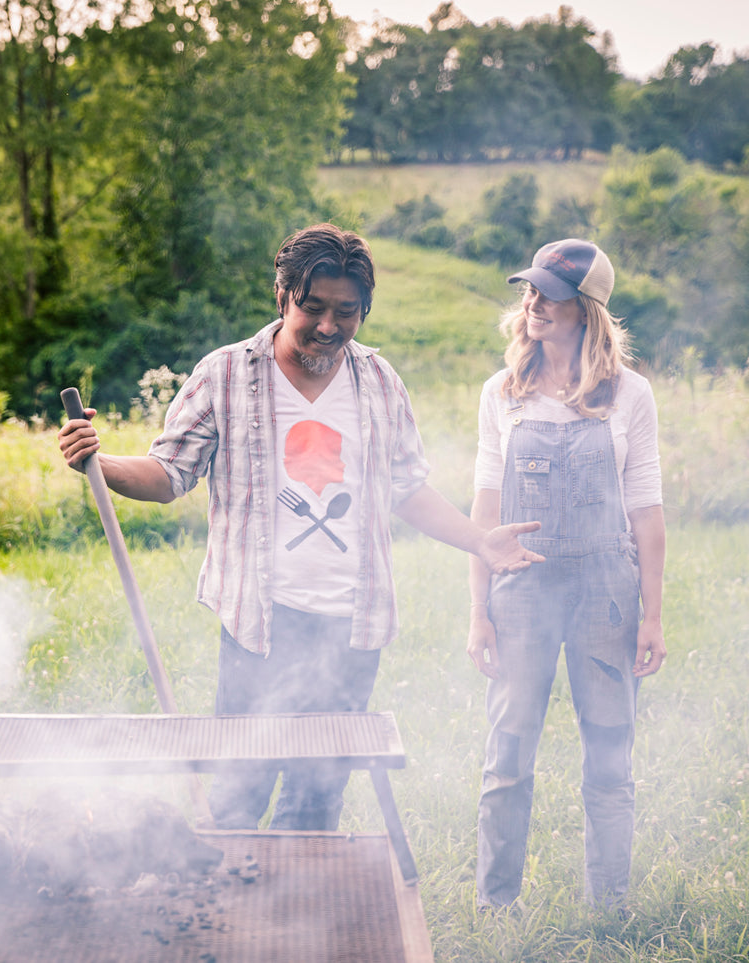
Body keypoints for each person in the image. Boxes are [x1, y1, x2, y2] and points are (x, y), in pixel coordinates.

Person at [58, 223, 545, 832]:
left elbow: (407, 490)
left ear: (364, 310)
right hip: (260, 625)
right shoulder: (226, 375)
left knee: (316, 803)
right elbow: (167, 473)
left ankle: (297, 922)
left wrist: (479, 539)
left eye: (346, 312)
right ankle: (228, 921)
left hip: (351, 627)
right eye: (312, 307)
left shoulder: (379, 382)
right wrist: (99, 465)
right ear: (282, 294)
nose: (327, 325)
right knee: (238, 795)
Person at [467, 238, 666, 912]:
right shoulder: (502, 392)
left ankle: (608, 903)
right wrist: (478, 610)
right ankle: (498, 903)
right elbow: (483, 512)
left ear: (585, 309)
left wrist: (652, 614)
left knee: (609, 748)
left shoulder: (629, 394)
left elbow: (645, 508)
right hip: (520, 586)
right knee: (508, 747)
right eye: (528, 290)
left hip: (605, 587)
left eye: (548, 293)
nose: (532, 303)